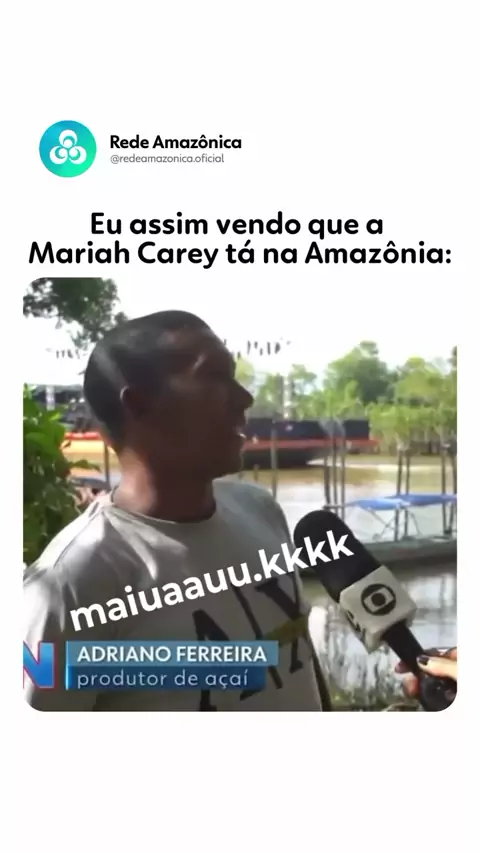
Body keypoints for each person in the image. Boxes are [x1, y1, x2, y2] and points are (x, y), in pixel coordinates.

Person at [24, 310, 331, 712]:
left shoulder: (260, 510)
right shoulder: (75, 581)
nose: (244, 398)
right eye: (214, 376)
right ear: (140, 404)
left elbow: (299, 665)